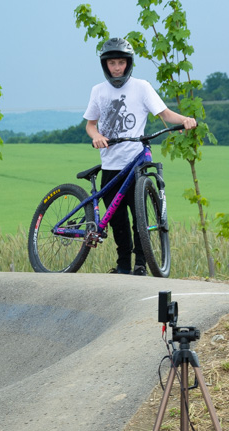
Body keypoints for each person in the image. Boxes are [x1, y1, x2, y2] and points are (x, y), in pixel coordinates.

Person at [84, 37, 197, 276]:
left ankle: (140, 265)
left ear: (128, 63)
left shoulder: (141, 87)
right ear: (105, 65)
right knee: (117, 221)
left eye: (121, 63)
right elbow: (90, 125)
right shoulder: (98, 91)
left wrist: (185, 120)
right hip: (110, 164)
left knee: (139, 217)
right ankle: (123, 264)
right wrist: (96, 136)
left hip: (136, 162)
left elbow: (164, 112)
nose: (117, 67)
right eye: (112, 63)